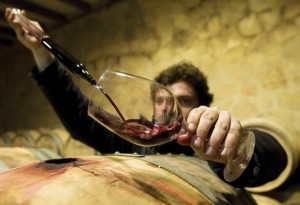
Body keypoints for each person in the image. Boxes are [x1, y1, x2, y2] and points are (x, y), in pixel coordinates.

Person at [5, 8, 289, 189]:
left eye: (183, 100)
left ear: (204, 105)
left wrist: (238, 145)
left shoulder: (210, 144)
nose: (168, 107)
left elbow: (271, 154)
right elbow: (81, 118)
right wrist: (41, 51)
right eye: (162, 99)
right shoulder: (140, 137)